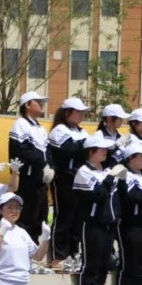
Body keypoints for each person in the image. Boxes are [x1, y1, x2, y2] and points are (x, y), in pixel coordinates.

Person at [72, 133, 120, 285]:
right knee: (92, 264)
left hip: (108, 225)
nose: (106, 151)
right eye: (101, 149)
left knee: (104, 265)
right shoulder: (84, 171)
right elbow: (97, 195)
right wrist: (110, 178)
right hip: (92, 224)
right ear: (91, 151)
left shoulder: (106, 171)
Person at [47, 96, 89, 266]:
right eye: (78, 112)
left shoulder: (81, 131)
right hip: (64, 178)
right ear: (67, 113)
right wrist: (83, 145)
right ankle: (58, 255)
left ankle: (73, 253)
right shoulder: (59, 130)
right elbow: (67, 150)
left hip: (80, 179)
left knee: (78, 218)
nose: (81, 115)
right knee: (64, 216)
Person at [0, 192, 48, 285]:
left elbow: (38, 256)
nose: (14, 211)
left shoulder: (22, 232)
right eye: (10, 207)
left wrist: (46, 238)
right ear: (0, 210)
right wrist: (1, 231)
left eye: (17, 207)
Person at [9, 91, 52, 244]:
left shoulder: (40, 128)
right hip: (27, 179)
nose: (42, 105)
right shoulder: (20, 124)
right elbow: (22, 150)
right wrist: (42, 164)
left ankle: (33, 250)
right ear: (27, 105)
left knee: (40, 218)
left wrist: (51, 167)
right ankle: (23, 250)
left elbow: (47, 151)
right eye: (38, 102)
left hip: (40, 181)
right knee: (26, 218)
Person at [115, 140, 142, 285]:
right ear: (131, 158)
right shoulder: (126, 175)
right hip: (131, 224)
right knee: (131, 263)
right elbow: (132, 196)